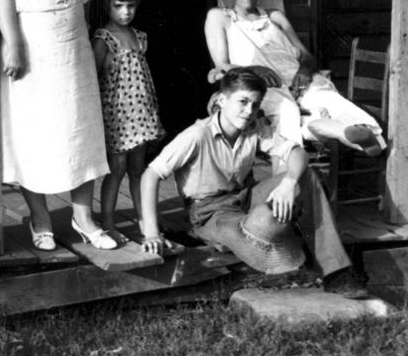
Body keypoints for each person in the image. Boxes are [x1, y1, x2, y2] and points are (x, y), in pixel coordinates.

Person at [137, 68, 367, 298]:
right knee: (257, 225)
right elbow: (151, 175)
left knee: (307, 177)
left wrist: (288, 183)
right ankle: (255, 238)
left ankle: (336, 272)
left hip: (245, 197)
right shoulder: (196, 135)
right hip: (210, 211)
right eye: (243, 102)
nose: (249, 111)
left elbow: (297, 152)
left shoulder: (254, 128)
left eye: (255, 104)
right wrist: (151, 232)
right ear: (221, 100)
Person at [0, 0, 116, 251]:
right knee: (36, 133)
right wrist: (13, 44)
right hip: (31, 42)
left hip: (73, 41)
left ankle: (84, 217)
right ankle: (40, 218)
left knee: (79, 128)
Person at [203, 0, 384, 156]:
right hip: (261, 83)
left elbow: (306, 56)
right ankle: (290, 172)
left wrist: (305, 71)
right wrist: (254, 70)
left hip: (298, 79)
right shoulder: (219, 16)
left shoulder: (274, 16)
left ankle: (359, 133)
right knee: (287, 111)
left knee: (329, 100)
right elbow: (222, 65)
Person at [92, 0, 167, 240]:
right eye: (118, 5)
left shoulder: (139, 37)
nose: (125, 12)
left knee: (138, 169)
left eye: (130, 5)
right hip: (117, 117)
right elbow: (95, 77)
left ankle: (144, 219)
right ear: (107, 5)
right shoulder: (103, 38)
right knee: (117, 168)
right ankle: (108, 222)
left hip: (141, 115)